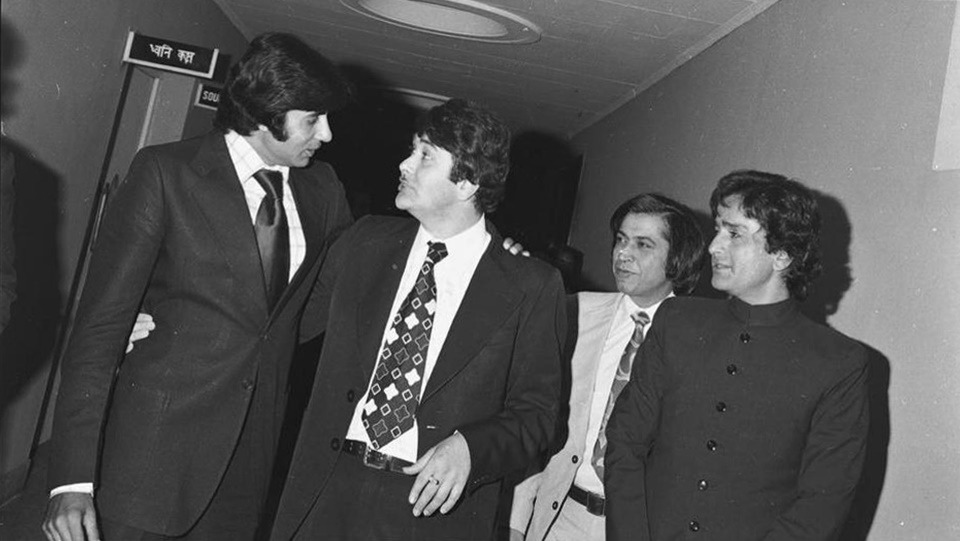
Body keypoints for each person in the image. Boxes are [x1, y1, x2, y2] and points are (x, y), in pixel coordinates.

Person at [42, 33, 353, 541]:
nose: (327, 134)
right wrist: (71, 480)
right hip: (150, 463)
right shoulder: (166, 172)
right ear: (267, 113)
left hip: (248, 470)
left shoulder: (324, 190)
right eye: (313, 118)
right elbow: (98, 332)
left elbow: (323, 295)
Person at [269, 98, 566, 541]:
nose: (404, 164)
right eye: (412, 149)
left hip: (432, 512)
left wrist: (471, 448)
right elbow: (284, 328)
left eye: (425, 155)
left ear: (467, 182)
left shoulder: (531, 284)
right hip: (327, 492)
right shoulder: (363, 241)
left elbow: (538, 416)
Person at [605, 170, 869, 540]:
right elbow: (624, 442)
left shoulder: (838, 362)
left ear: (781, 255)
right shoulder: (677, 320)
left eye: (734, 234)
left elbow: (822, 504)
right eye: (718, 230)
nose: (713, 246)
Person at [510, 193, 705, 541]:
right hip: (560, 517)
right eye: (621, 240)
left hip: (641, 529)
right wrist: (516, 521)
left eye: (643, 244)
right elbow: (535, 416)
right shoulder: (576, 312)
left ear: (678, 259)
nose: (622, 254)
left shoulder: (701, 343)